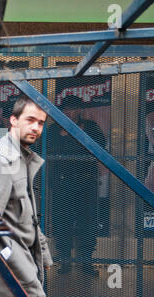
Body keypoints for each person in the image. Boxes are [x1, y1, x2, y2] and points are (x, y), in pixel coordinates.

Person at [0, 95, 53, 297]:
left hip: (25, 261)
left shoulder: (22, 158)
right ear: (13, 120)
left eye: (41, 123)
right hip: (10, 270)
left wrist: (43, 255)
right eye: (30, 120)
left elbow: (28, 216)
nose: (36, 127)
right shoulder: (3, 161)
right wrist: (20, 268)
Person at [46, 101, 105, 277]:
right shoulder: (53, 130)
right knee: (62, 222)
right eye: (65, 109)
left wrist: (69, 138)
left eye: (72, 108)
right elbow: (49, 150)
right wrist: (71, 141)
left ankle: (86, 261)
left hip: (86, 183)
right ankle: (65, 261)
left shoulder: (90, 127)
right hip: (62, 185)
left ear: (79, 110)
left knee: (88, 223)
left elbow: (98, 146)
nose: (68, 112)